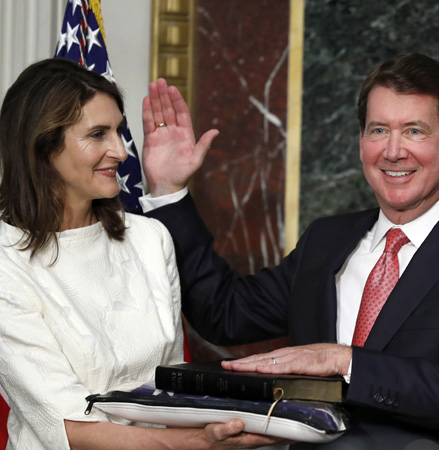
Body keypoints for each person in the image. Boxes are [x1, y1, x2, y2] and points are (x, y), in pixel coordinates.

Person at [141, 53, 439, 449]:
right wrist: (169, 192)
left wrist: (344, 362)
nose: (393, 151)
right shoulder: (327, 239)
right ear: (361, 144)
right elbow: (224, 314)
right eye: (378, 130)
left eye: (414, 130)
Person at [0, 58, 281, 449]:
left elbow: (171, 388)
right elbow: (67, 425)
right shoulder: (6, 261)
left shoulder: (150, 238)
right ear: (43, 145)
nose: (120, 150)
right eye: (98, 134)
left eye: (118, 131)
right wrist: (202, 443)